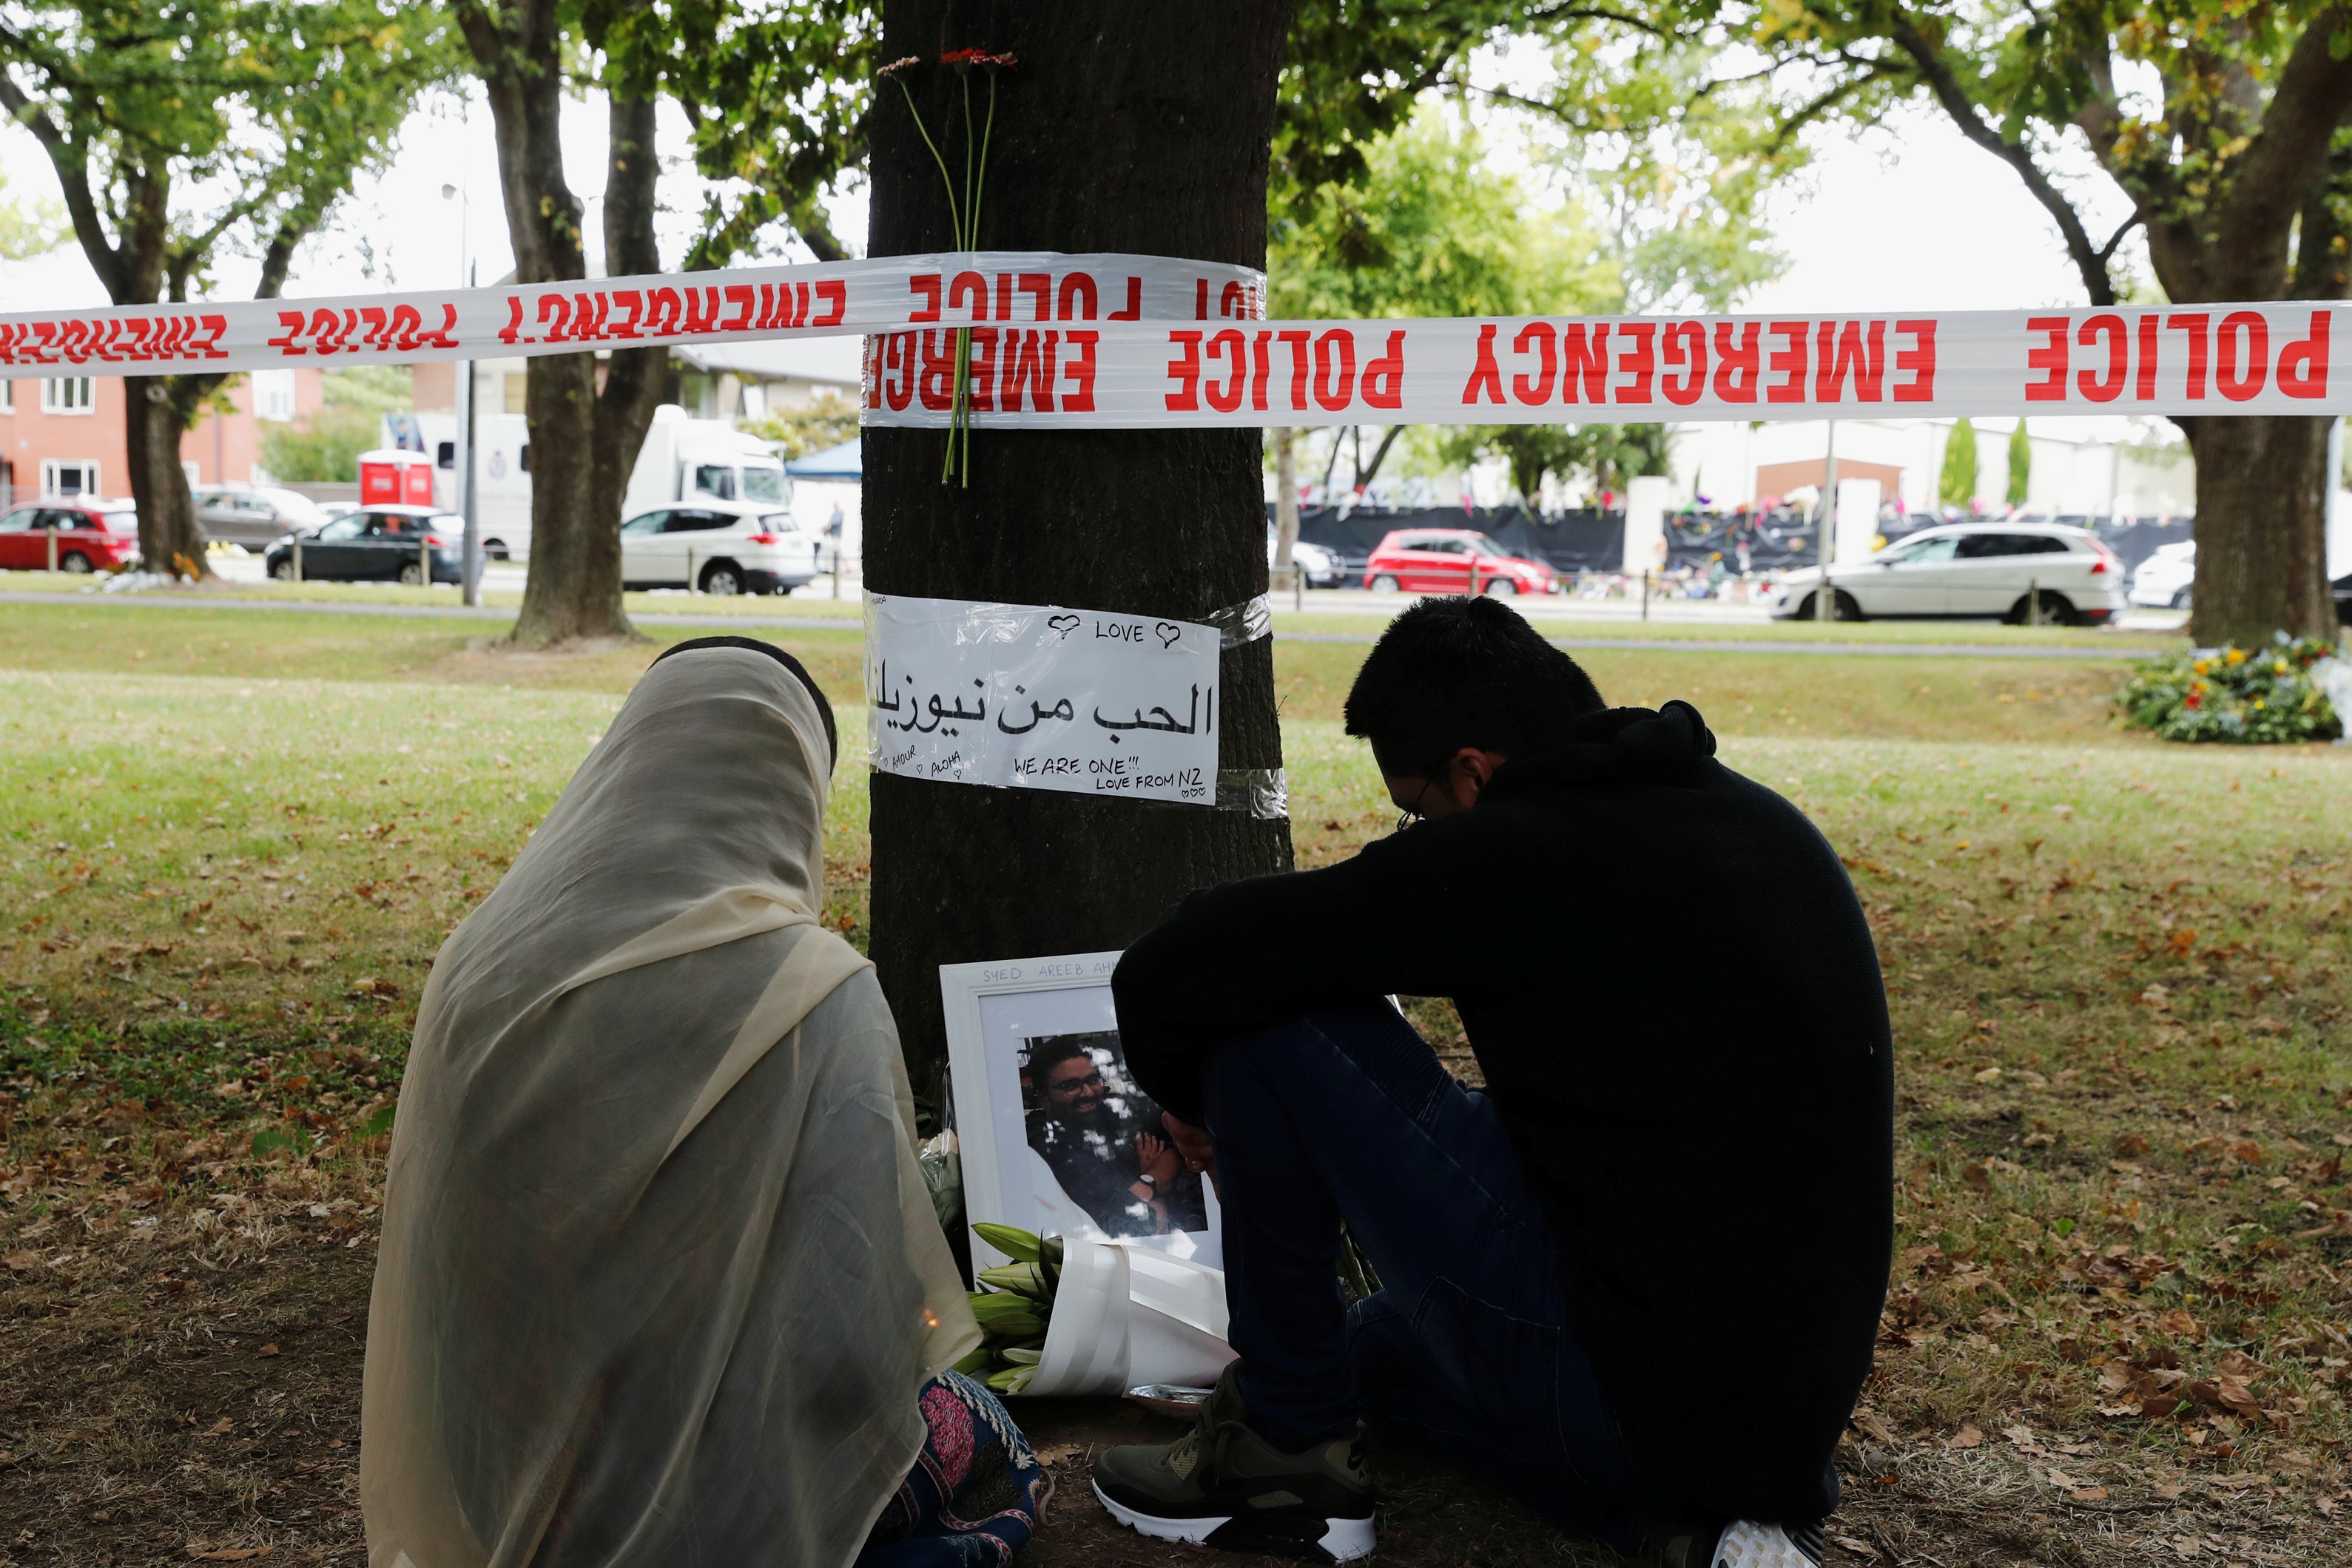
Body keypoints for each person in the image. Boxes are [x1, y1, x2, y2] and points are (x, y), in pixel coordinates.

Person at [1094, 598, 1892, 1568]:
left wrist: (1185, 1103)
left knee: (1272, 1017)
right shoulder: (1751, 821)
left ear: (1471, 772)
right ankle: (1678, 1525)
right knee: (1374, 1357)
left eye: (1415, 808)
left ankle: (1283, 1459)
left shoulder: (1525, 850)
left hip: (1623, 1378)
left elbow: (1177, 960)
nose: (1416, 833)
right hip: (1764, 1424)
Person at [363, 635, 1040, 1568]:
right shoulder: (811, 995)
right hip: (720, 1512)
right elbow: (849, 1345)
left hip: (498, 1483)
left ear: (627, 760)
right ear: (793, 793)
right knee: (977, 1429)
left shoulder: (478, 967)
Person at [1025, 1034, 1207, 1237]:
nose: (1087, 1093)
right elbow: (1147, 1218)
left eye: (1092, 1080)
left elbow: (1170, 1154)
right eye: (1071, 1086)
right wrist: (1152, 1184)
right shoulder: (1051, 1150)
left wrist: (1146, 1182)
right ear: (1043, 1097)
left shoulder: (1108, 1116)